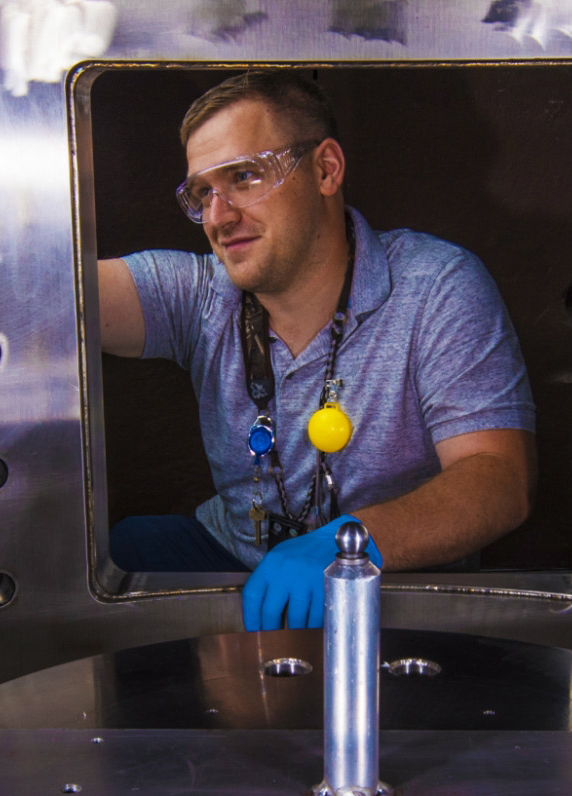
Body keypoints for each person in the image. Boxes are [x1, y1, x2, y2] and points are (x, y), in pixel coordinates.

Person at [99, 70, 536, 631]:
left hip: (391, 584)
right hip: (233, 559)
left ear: (326, 169)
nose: (218, 216)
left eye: (245, 176)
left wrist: (349, 544)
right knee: (123, 551)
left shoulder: (437, 285)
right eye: (203, 192)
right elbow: (48, 295)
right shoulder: (202, 294)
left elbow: (500, 478)